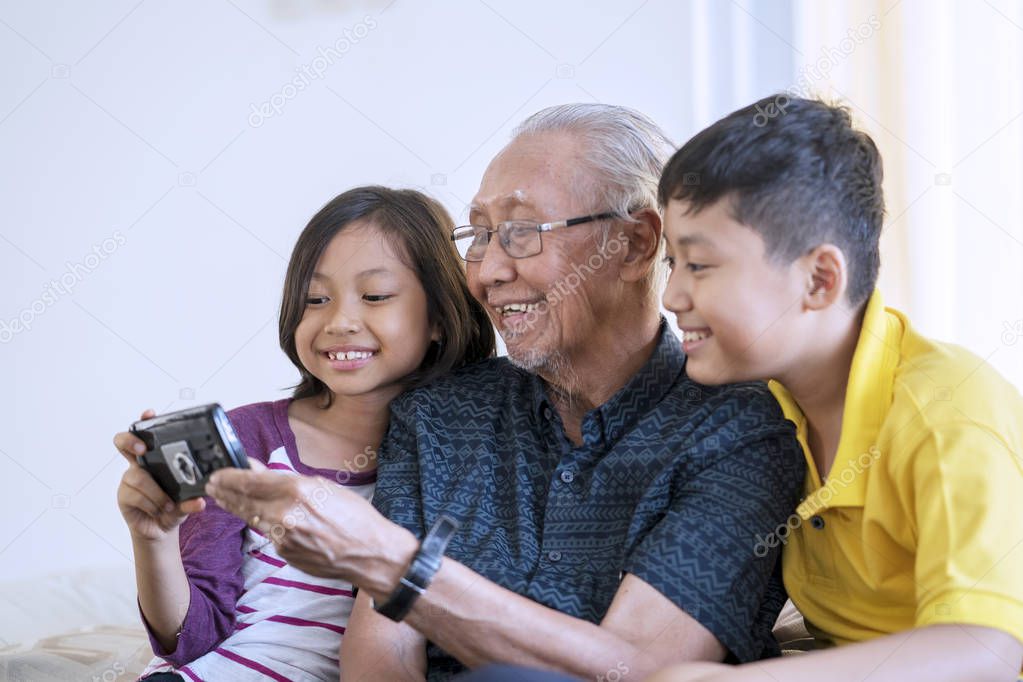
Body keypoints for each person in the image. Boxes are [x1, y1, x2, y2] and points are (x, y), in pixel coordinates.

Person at [205, 104, 806, 680]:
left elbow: (635, 669)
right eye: (481, 235)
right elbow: (382, 647)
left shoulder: (738, 433)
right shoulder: (439, 416)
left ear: (634, 244)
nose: (487, 271)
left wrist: (398, 566)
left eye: (520, 233)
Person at [645, 95, 1023, 681]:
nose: (672, 297)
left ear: (819, 280)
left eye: (699, 265)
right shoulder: (760, 408)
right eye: (672, 263)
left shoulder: (945, 417)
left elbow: (987, 649)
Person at [113, 186, 495, 681]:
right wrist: (153, 540)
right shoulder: (249, 438)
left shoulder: (457, 454)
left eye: (375, 296)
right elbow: (191, 639)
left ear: (440, 318)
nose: (339, 321)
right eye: (315, 299)